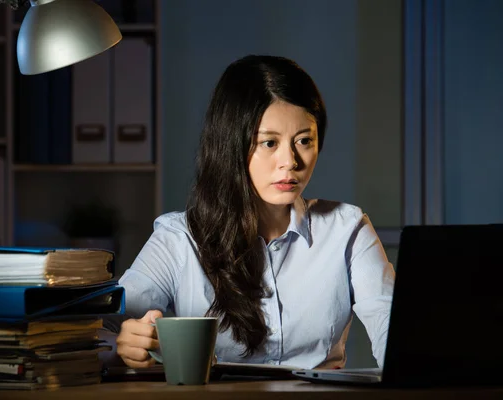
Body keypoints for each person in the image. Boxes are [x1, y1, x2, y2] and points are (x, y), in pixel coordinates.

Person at [115, 55, 395, 370]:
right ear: (231, 144)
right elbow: (107, 326)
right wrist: (127, 340)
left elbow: (393, 327)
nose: (290, 161)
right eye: (269, 143)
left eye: (303, 141)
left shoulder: (347, 229)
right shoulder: (179, 238)